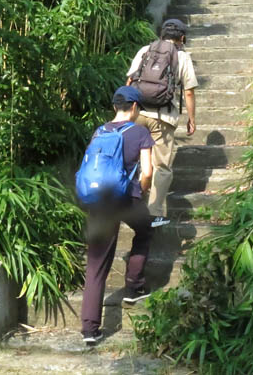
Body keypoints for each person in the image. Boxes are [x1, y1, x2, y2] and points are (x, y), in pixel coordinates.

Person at [80, 86, 155, 345]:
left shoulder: (99, 131)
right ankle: (134, 286)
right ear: (134, 107)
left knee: (96, 264)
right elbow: (147, 171)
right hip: (127, 199)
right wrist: (142, 192)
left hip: (99, 200)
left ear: (115, 106)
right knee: (146, 228)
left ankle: (90, 329)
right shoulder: (140, 132)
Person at [126, 18, 198, 227]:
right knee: (161, 166)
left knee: (132, 160)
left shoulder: (145, 50)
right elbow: (189, 91)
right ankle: (154, 214)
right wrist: (191, 119)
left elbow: (130, 81)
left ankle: (128, 207)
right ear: (182, 38)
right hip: (163, 117)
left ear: (161, 34)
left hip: (137, 113)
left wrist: (126, 112)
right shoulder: (182, 56)